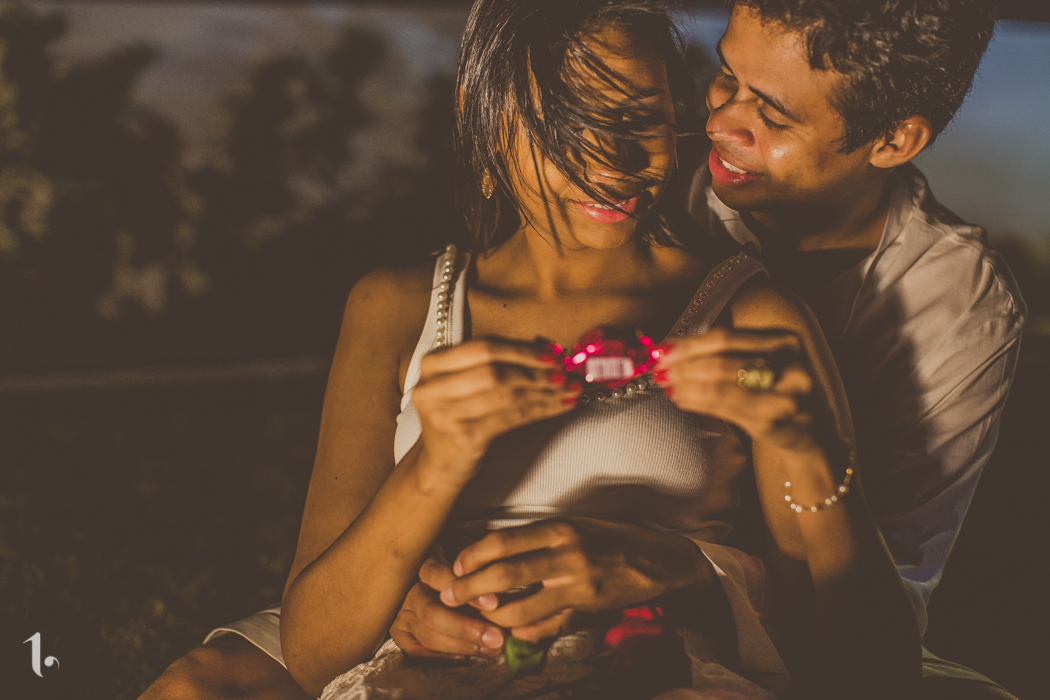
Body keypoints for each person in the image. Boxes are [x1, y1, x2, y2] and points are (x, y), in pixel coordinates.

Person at [141, 1, 924, 699]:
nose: (611, 159)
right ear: (486, 116)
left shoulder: (750, 317)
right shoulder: (396, 308)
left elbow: (862, 667)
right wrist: (436, 466)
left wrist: (803, 456)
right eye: (567, 122)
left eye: (641, 116)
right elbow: (313, 649)